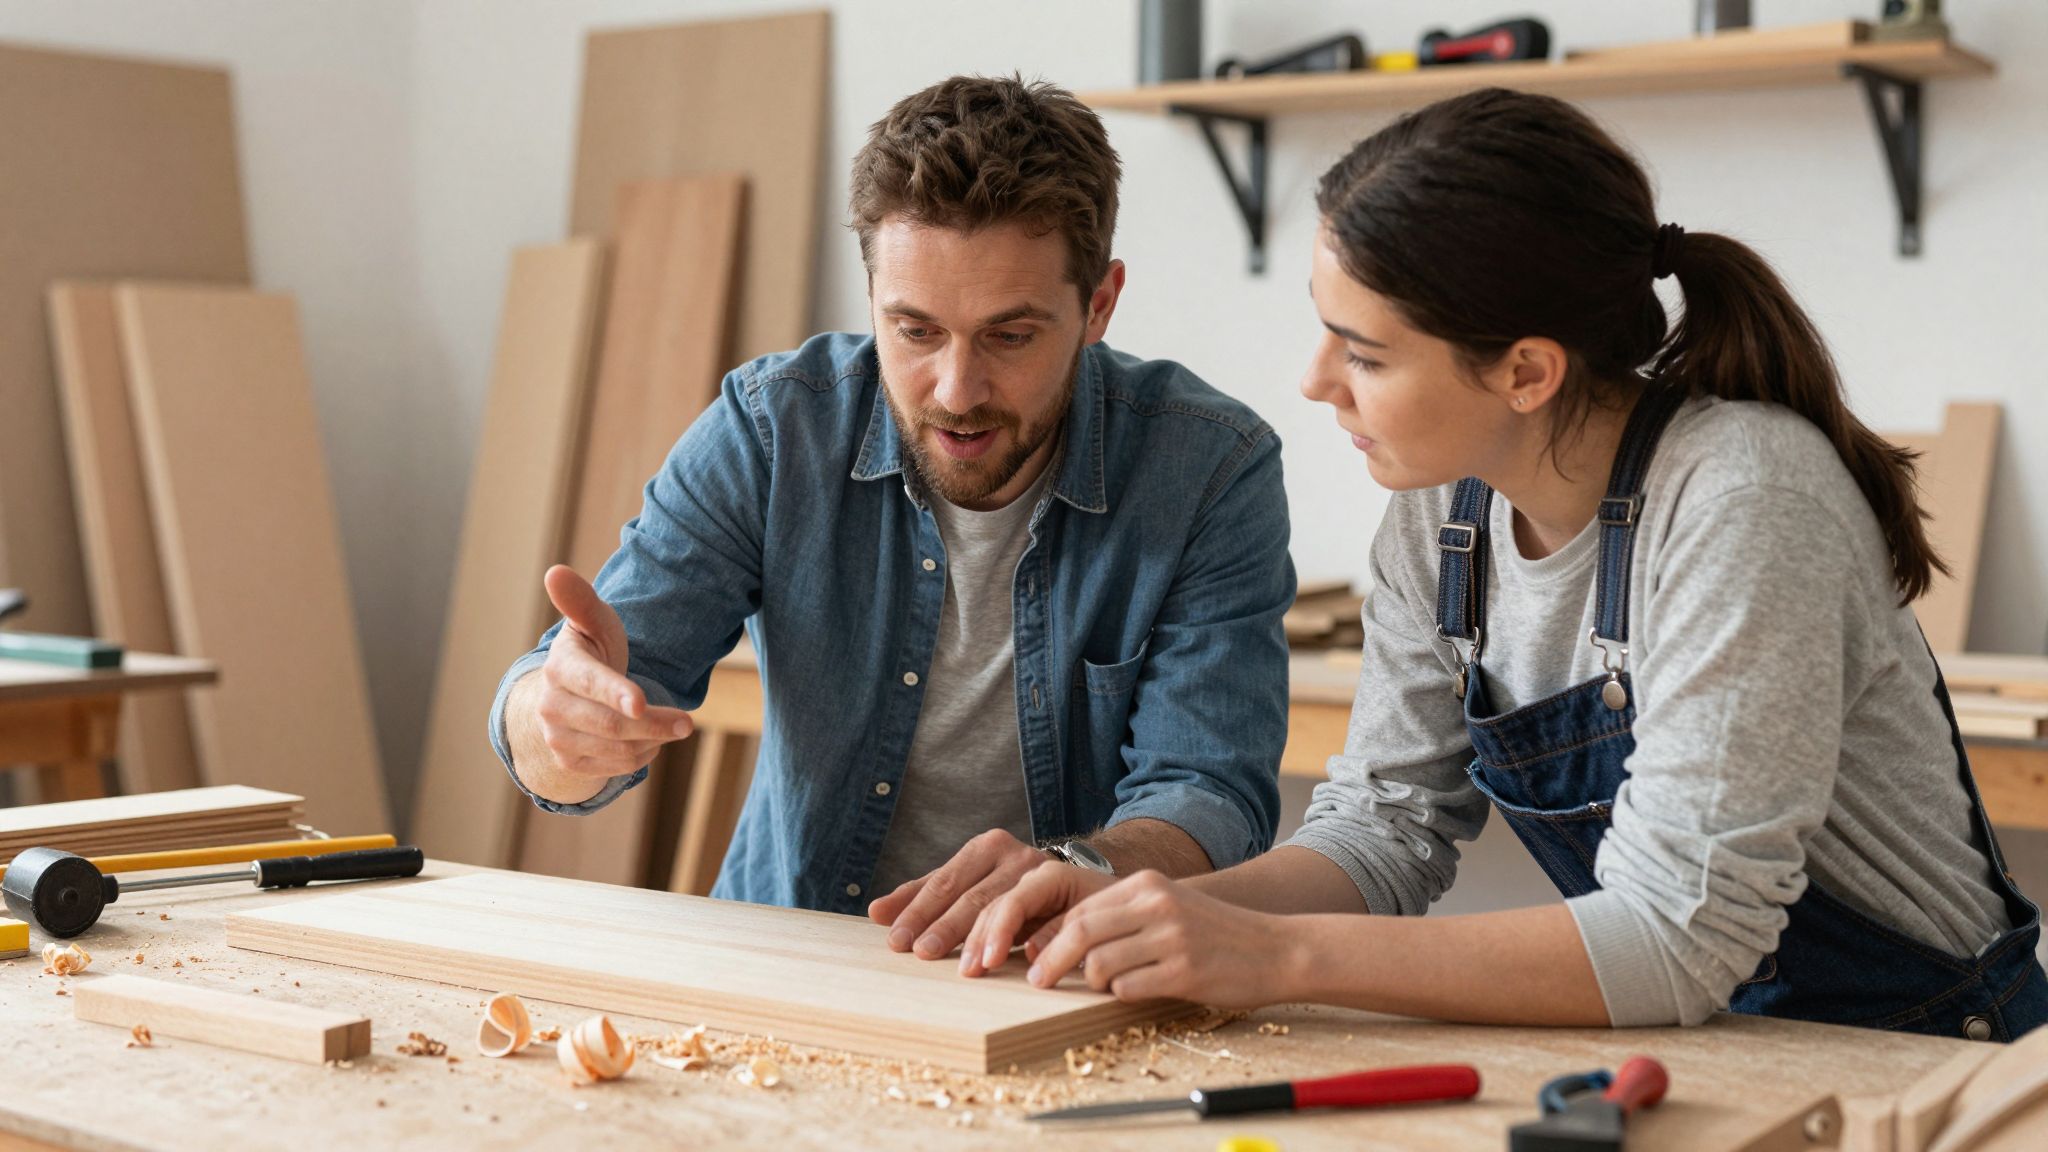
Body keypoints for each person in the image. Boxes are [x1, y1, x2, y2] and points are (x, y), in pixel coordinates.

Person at [960, 87, 2048, 1041]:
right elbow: (1386, 827)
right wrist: (1149, 914)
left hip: (1923, 1050)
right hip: (1720, 1038)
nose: (1312, 379)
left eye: (1366, 352)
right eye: (1322, 329)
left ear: (1525, 371)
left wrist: (1272, 956)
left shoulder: (1742, 499)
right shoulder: (1441, 512)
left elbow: (1675, 935)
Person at [489, 75, 1294, 954]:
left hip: (1064, 971)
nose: (957, 390)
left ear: (1099, 303)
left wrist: (1080, 869)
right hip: (798, 956)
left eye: (1010, 335)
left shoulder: (1211, 469)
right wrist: (551, 724)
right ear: (871, 294)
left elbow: (1212, 792)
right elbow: (577, 708)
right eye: (913, 331)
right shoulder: (773, 431)